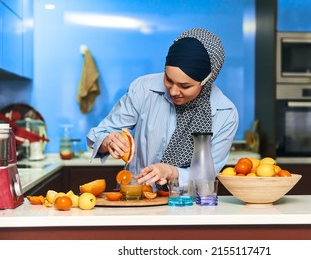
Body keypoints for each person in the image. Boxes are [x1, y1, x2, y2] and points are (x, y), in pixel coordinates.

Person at [86, 28, 239, 189]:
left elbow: (207, 174)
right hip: (136, 196)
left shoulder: (226, 114)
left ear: (207, 80)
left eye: (184, 86)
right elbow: (98, 134)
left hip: (188, 204)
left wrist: (172, 172)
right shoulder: (144, 88)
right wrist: (108, 141)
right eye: (168, 79)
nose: (173, 91)